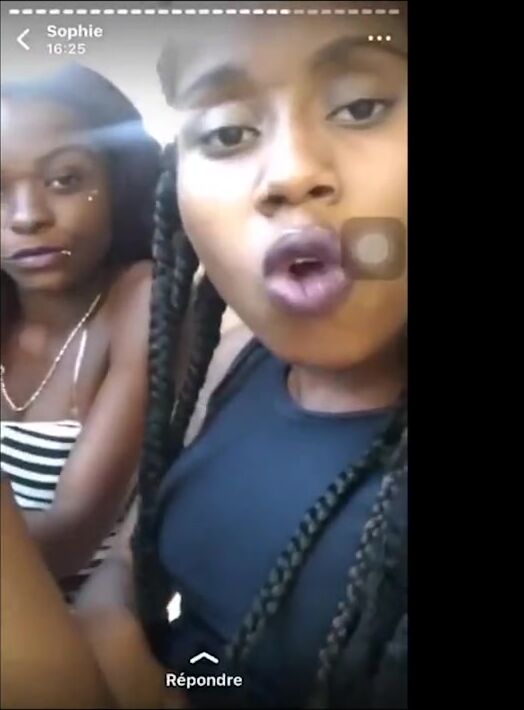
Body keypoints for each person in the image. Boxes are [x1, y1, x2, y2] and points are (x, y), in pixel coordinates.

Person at [4, 6, 407, 708]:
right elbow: (129, 560)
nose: (289, 174)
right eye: (227, 133)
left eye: (361, 107)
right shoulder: (237, 365)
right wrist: (117, 639)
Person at [0, 64, 159, 600]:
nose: (27, 217)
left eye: (65, 180)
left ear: (117, 184)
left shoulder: (140, 299)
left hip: (65, 633)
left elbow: (70, 535)